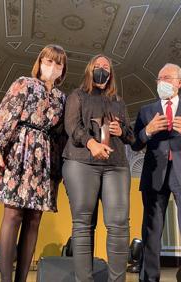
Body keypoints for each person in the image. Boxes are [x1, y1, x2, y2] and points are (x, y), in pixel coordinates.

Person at [0, 44, 68, 282]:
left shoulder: (62, 98)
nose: (53, 67)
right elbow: (5, 115)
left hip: (46, 160)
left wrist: (59, 169)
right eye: (49, 62)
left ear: (63, 70)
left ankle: (22, 279)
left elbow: (62, 135)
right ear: (40, 63)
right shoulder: (24, 83)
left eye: (58, 64)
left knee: (34, 220)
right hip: (19, 152)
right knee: (13, 214)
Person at [131, 63, 181, 282]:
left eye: (167, 77)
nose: (161, 82)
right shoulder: (146, 111)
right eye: (159, 79)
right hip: (154, 174)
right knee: (151, 231)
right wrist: (147, 131)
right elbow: (135, 144)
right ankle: (148, 279)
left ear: (179, 82)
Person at [62, 54, 134, 282]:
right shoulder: (77, 95)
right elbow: (72, 126)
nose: (102, 69)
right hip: (81, 161)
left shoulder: (119, 102)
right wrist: (91, 143)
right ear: (89, 69)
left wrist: (121, 131)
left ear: (111, 73)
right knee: (83, 223)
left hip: (116, 165)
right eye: (98, 66)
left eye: (106, 66)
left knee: (119, 224)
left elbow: (131, 136)